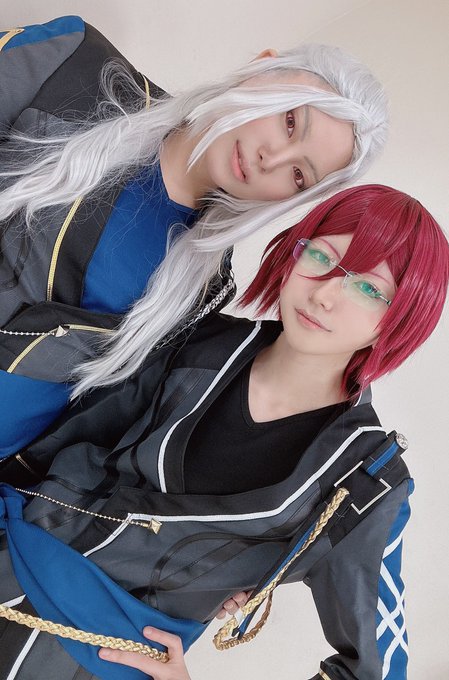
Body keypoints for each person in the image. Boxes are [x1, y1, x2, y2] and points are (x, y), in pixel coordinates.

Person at [0, 185, 448, 680]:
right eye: (321, 256)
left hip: (91, 660)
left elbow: (378, 670)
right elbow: (44, 434)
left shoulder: (363, 482)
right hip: (10, 556)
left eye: (368, 289)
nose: (324, 294)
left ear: (401, 317)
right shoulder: (190, 336)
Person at [0, 15, 388, 465]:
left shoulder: (203, 283)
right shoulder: (74, 64)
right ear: (261, 68)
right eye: (289, 122)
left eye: (299, 175)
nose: (273, 159)